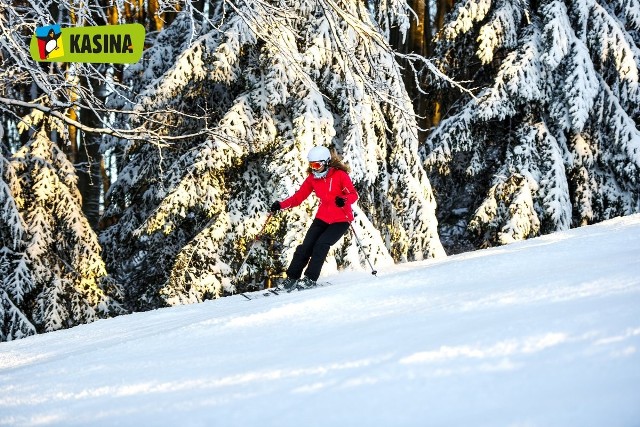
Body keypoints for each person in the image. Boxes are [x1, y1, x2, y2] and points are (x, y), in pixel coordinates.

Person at [270, 146, 358, 291]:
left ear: (327, 162)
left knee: (321, 245)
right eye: (312, 165)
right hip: (322, 218)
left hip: (341, 219)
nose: (314, 169)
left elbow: (353, 195)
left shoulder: (340, 175)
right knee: (306, 247)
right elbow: (298, 197)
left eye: (317, 165)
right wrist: (281, 205)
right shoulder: (312, 179)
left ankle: (310, 278)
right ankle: (292, 278)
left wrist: (344, 200)